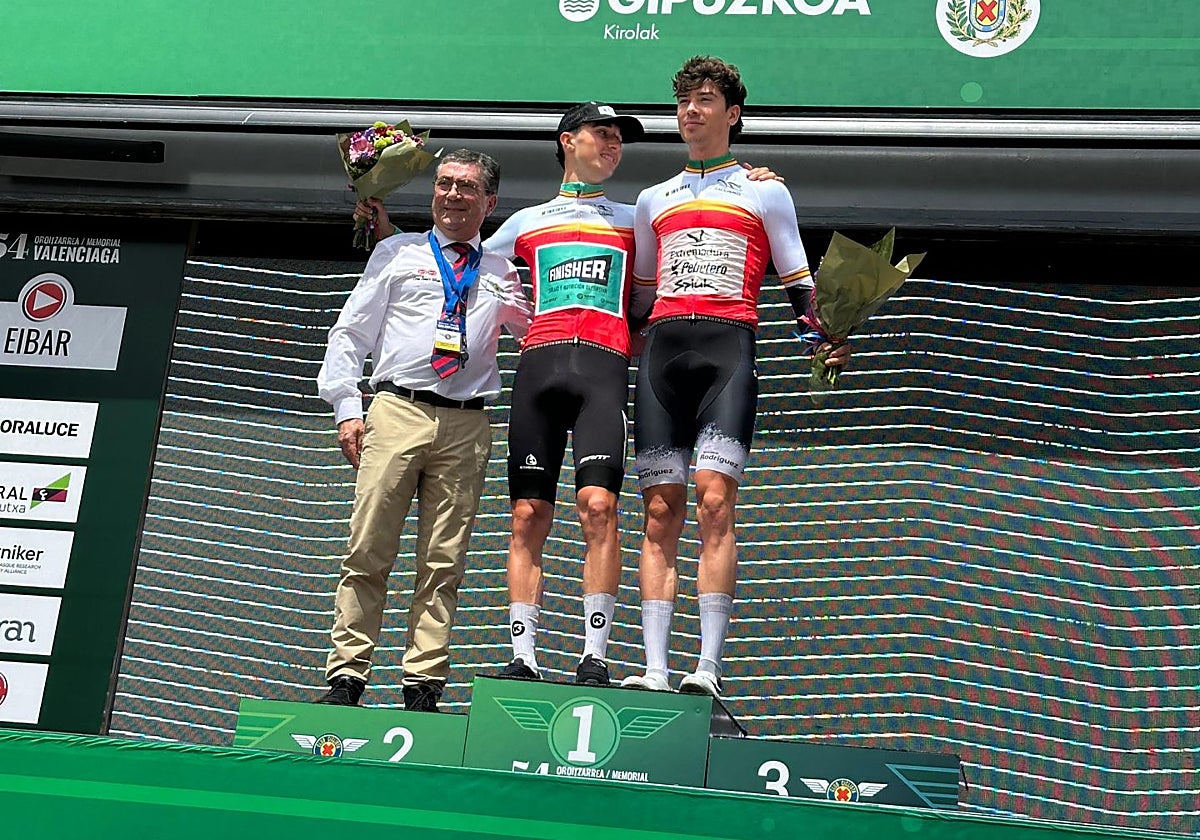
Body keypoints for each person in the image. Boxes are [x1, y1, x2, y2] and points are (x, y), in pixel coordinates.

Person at [358, 103, 644, 687]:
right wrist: (388, 236)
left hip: (602, 368)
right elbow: (456, 258)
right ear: (568, 141)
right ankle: (524, 657)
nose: (614, 146)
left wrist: (746, 176)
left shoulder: (638, 217)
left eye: (620, 139)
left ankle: (595, 655)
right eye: (603, 135)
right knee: (526, 513)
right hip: (533, 374)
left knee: (599, 508)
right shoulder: (521, 224)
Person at [622, 56, 851, 698]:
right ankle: (658, 671)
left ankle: (708, 672)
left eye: (703, 100)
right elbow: (638, 295)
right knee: (658, 510)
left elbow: (797, 280)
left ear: (733, 113)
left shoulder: (765, 190)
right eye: (682, 102)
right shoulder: (651, 199)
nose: (690, 111)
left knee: (715, 502)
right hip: (663, 351)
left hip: (729, 348)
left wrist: (824, 341)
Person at [315, 149, 531, 712]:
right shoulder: (398, 251)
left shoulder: (503, 271)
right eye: (444, 184)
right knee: (368, 546)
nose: (453, 195)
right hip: (396, 410)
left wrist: (532, 308)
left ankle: (423, 682)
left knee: (444, 559)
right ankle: (347, 675)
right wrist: (346, 406)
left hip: (468, 421)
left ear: (490, 202)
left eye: (466, 187)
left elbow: (538, 334)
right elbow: (350, 334)